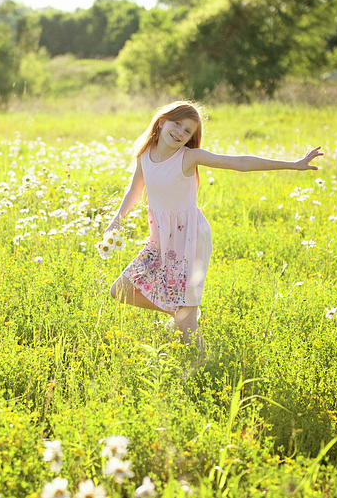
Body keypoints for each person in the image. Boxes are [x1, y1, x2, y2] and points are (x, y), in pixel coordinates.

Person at [105, 101, 323, 352]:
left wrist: (293, 164)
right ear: (162, 121)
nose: (180, 133)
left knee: (186, 316)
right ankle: (181, 313)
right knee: (120, 289)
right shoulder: (146, 153)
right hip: (160, 239)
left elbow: (239, 163)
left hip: (190, 238)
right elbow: (135, 189)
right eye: (177, 125)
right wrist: (116, 220)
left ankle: (198, 359)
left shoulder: (188, 157)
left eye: (187, 131)